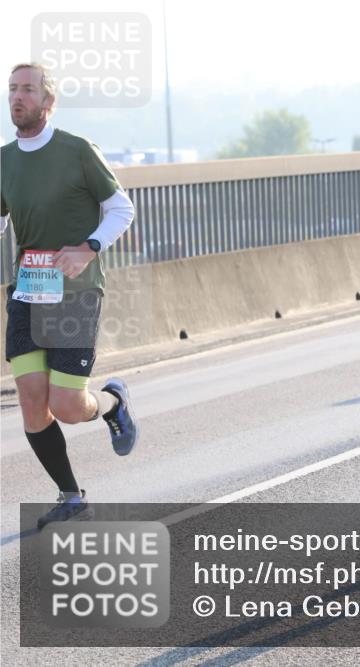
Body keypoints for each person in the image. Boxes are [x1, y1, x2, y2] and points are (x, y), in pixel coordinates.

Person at [2, 63, 139, 529]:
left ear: (48, 101)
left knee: (66, 405)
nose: (17, 97)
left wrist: (88, 248)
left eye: (28, 90)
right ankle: (70, 496)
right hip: (27, 292)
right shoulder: (3, 159)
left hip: (75, 292)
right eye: (12, 90)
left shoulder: (78, 151)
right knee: (31, 401)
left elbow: (122, 208)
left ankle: (114, 404)